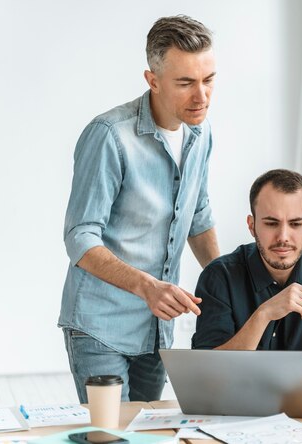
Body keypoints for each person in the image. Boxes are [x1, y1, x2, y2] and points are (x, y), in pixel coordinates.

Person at [59, 15, 220, 403]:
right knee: (113, 435)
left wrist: (229, 284)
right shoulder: (110, 135)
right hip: (100, 326)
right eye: (185, 83)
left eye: (209, 79)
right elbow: (80, 237)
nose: (202, 96)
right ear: (153, 80)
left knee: (150, 434)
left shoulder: (201, 134)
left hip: (158, 328)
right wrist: (148, 286)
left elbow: (197, 217)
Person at [192, 169, 302, 392]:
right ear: (251, 225)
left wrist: (245, 377)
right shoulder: (218, 276)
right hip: (233, 416)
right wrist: (264, 315)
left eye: (296, 224)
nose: (283, 236)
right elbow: (208, 375)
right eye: (271, 223)